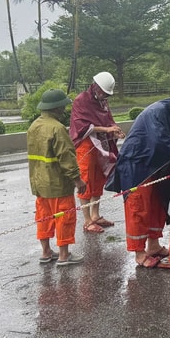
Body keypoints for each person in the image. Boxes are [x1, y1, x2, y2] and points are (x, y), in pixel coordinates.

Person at [106, 85, 170, 268]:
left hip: (155, 165)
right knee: (138, 208)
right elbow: (160, 140)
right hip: (137, 165)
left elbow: (167, 143)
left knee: (157, 205)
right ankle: (139, 253)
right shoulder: (159, 111)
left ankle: (153, 245)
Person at [27, 88, 86, 266]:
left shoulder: (33, 126)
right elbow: (66, 157)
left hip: (40, 184)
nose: (64, 110)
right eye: (63, 106)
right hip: (58, 185)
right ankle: (64, 255)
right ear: (57, 107)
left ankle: (46, 252)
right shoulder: (57, 128)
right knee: (64, 218)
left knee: (44, 218)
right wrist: (77, 180)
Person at [70, 71, 124, 234]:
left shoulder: (103, 102)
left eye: (107, 94)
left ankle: (95, 215)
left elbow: (108, 120)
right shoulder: (81, 100)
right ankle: (87, 220)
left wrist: (114, 130)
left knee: (99, 178)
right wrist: (106, 129)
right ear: (96, 87)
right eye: (104, 93)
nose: (105, 96)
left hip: (101, 144)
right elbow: (81, 127)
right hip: (85, 145)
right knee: (86, 179)